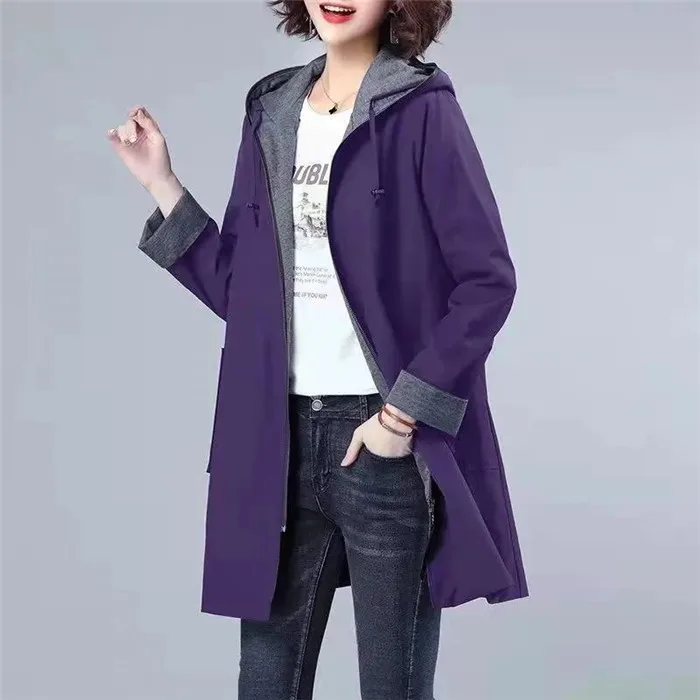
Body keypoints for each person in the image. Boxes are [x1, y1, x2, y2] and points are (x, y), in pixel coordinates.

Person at [107, 1, 528, 697]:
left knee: (392, 687)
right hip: (279, 445)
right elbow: (247, 297)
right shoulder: (271, 112)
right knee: (266, 683)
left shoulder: (421, 111)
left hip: (383, 445)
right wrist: (162, 184)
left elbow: (487, 283)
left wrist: (401, 416)